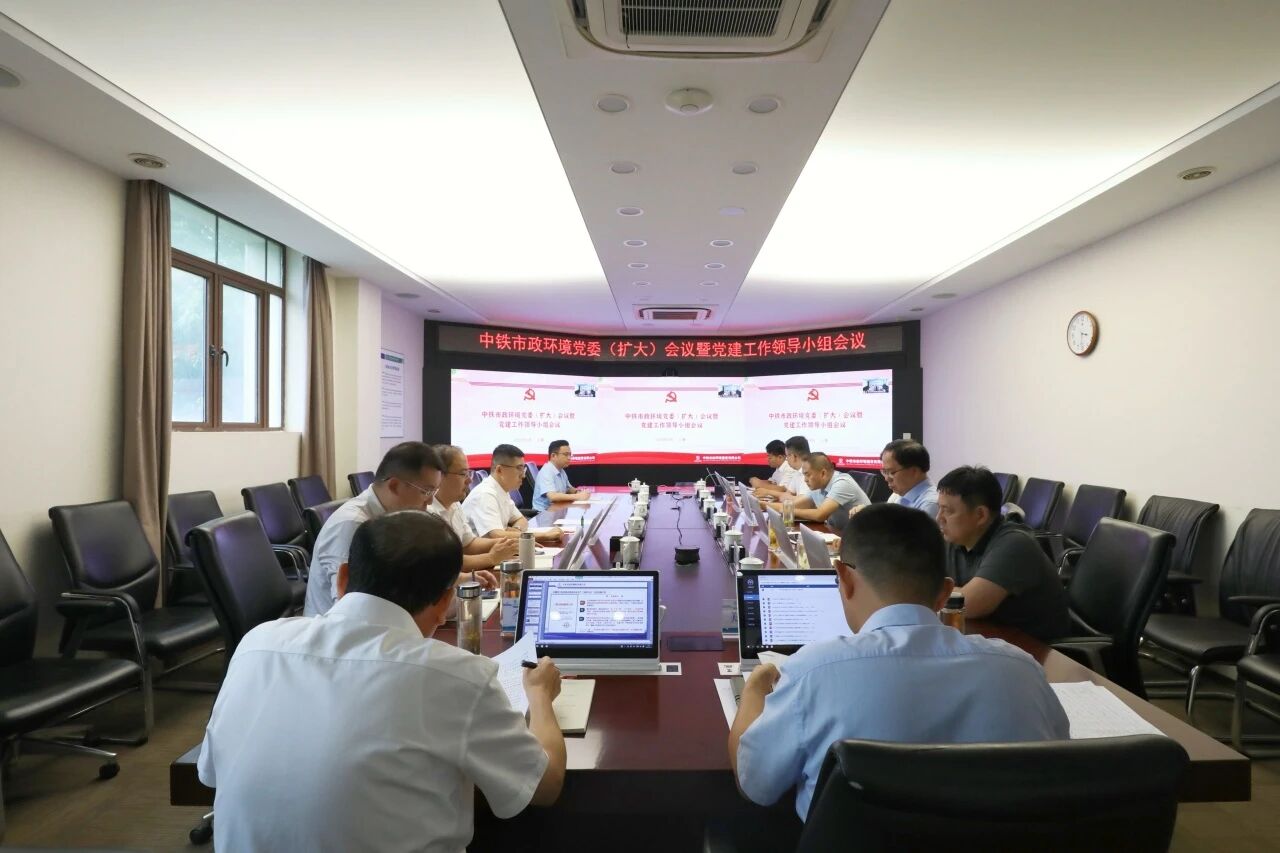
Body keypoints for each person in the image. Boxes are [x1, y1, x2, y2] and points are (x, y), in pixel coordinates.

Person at [199, 511, 567, 852]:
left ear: (343, 578)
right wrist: (539, 695)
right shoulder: (457, 676)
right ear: (445, 602)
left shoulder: (255, 644)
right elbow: (545, 786)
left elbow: (211, 773)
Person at [730, 503, 1069, 823]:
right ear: (945, 593)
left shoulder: (812, 672)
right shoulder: (1022, 671)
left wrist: (755, 690)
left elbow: (754, 784)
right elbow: (1059, 773)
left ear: (843, 578)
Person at [305, 442, 496, 617]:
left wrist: (463, 579)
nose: (430, 501)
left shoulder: (397, 516)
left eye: (434, 491)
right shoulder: (351, 525)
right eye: (426, 491)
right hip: (342, 634)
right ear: (394, 486)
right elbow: (348, 608)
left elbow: (417, 571)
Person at [937, 465, 1071, 642]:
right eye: (939, 508)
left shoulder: (1015, 543)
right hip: (988, 638)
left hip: (1034, 647)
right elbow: (916, 582)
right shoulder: (956, 538)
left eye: (947, 511)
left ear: (980, 515)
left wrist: (935, 591)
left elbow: (968, 604)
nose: (939, 518)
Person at [430, 445, 521, 573]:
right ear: (439, 476)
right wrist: (491, 558)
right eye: (463, 474)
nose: (469, 480)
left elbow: (468, 544)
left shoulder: (455, 504)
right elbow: (446, 563)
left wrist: (508, 543)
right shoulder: (427, 512)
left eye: (469, 473)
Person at [462, 443, 562, 542]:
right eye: (519, 468)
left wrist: (516, 530)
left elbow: (521, 520)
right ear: (500, 470)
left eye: (523, 469)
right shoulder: (485, 494)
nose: (523, 475)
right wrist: (545, 535)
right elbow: (497, 536)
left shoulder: (502, 490)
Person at [793, 452, 870, 531]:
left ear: (823, 473)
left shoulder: (842, 483)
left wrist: (790, 511)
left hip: (863, 534)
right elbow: (797, 504)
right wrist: (786, 508)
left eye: (808, 475)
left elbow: (820, 515)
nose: (805, 480)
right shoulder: (818, 486)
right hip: (841, 533)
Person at [881, 439, 939, 518]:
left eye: (891, 472)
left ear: (914, 471)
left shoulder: (929, 505)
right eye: (885, 472)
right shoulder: (900, 495)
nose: (887, 479)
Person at [532, 440, 590, 511]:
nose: (569, 458)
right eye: (566, 454)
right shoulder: (546, 471)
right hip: (543, 513)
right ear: (553, 456)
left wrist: (579, 492)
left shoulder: (561, 470)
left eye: (570, 454)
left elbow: (568, 489)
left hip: (557, 510)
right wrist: (578, 496)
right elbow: (553, 496)